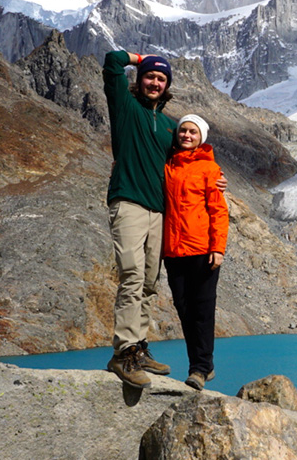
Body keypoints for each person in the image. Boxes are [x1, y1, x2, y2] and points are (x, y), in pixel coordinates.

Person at [103, 50, 177, 388]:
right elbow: (112, 63)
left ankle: (140, 347)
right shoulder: (125, 107)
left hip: (158, 210)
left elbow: (189, 162)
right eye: (150, 76)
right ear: (140, 79)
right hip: (128, 202)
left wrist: (215, 179)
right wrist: (140, 57)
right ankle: (123, 353)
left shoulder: (169, 126)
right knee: (131, 276)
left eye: (161, 79)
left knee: (149, 281)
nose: (155, 82)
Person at [163, 114, 228, 390]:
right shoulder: (167, 165)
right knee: (184, 308)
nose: (186, 135)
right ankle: (202, 365)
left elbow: (218, 210)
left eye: (192, 132)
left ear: (201, 137)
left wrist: (218, 248)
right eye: (183, 130)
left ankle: (200, 368)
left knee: (202, 309)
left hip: (202, 249)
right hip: (173, 251)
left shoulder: (210, 169)